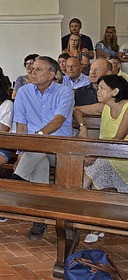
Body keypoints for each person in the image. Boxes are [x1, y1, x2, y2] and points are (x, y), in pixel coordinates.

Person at [12, 56, 74, 241]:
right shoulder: (23, 92)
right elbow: (21, 126)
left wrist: (37, 139)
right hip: (35, 151)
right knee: (40, 162)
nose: (32, 72)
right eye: (32, 69)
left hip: (60, 149)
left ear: (52, 74)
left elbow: (58, 121)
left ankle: (16, 181)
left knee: (40, 150)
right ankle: (40, 219)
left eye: (38, 69)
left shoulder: (65, 92)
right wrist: (21, 152)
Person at [74, 74, 128, 243]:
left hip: (122, 158)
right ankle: (93, 224)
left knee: (90, 170)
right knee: (90, 168)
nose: (98, 90)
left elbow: (119, 138)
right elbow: (77, 109)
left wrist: (96, 153)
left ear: (115, 91)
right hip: (105, 156)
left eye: (102, 88)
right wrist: (83, 127)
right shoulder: (103, 106)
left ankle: (76, 214)